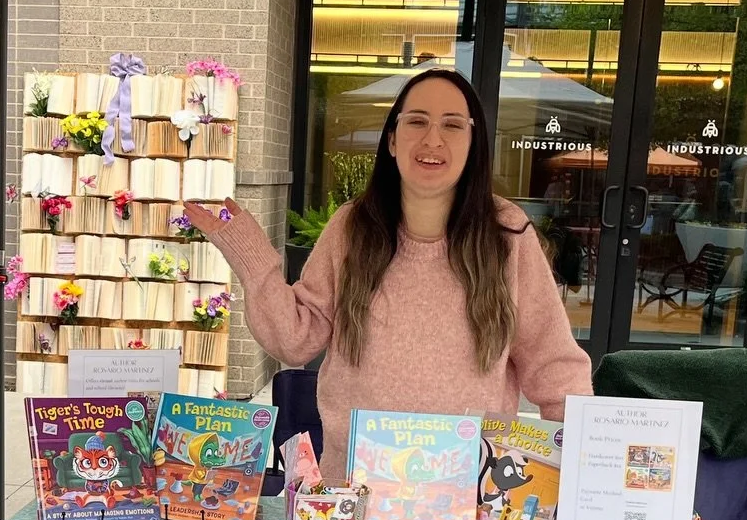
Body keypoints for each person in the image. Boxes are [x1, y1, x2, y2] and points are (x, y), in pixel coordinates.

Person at [186, 68, 593, 483]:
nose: (433, 139)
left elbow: (556, 368)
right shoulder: (351, 228)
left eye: (452, 125)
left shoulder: (508, 235)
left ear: (473, 144)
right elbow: (296, 340)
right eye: (416, 121)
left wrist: (581, 475)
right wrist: (253, 259)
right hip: (352, 491)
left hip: (464, 499)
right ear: (393, 141)